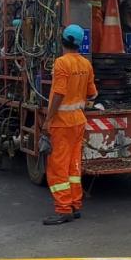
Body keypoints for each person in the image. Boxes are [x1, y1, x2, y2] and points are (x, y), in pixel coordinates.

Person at [42, 24, 97, 226]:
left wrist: (48, 119)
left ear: (63, 41)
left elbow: (59, 93)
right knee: (74, 166)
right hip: (78, 121)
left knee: (58, 167)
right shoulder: (85, 64)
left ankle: (64, 209)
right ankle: (75, 205)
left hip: (61, 123)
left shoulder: (61, 63)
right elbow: (92, 93)